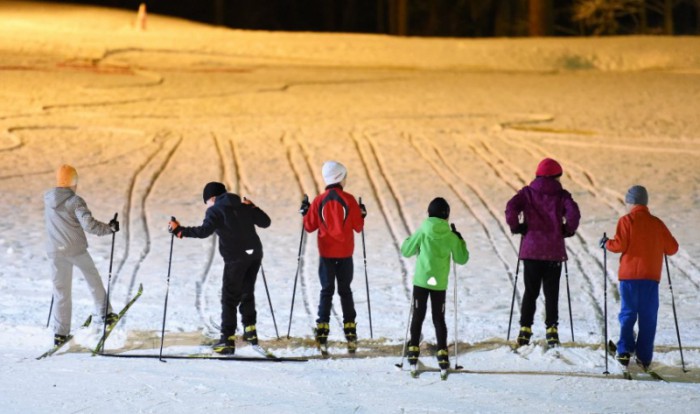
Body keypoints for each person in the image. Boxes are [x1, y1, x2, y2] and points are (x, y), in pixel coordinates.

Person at [168, 182, 271, 355]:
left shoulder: (215, 210)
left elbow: (203, 231)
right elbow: (265, 222)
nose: (206, 206)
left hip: (236, 257)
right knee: (247, 291)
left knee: (229, 297)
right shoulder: (242, 205)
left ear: (212, 198)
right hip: (254, 254)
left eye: (206, 202)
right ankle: (250, 332)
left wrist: (180, 231)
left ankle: (227, 340)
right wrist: (253, 207)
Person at [600, 185, 678, 369]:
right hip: (651, 278)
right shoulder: (657, 223)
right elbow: (672, 248)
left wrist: (606, 243)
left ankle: (624, 351)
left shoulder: (627, 220)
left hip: (629, 278)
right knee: (648, 317)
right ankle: (644, 356)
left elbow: (619, 245)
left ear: (631, 202)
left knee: (628, 314)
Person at [505, 158, 580, 348]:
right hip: (553, 251)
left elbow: (511, 208)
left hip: (531, 250)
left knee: (531, 292)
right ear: (556, 176)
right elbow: (573, 214)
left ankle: (525, 329)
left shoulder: (528, 193)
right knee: (551, 292)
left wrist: (517, 227)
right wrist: (567, 230)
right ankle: (552, 330)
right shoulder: (562, 195)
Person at [44, 164, 119, 347]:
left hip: (54, 251)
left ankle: (60, 334)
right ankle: (106, 315)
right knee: (93, 279)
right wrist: (109, 228)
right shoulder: (75, 201)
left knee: (61, 292)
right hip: (75, 250)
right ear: (73, 181)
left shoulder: (48, 200)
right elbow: (89, 225)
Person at [300, 161, 365, 352]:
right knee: (345, 290)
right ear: (339, 177)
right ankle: (350, 329)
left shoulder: (319, 200)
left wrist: (305, 211)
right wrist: (362, 214)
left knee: (326, 290)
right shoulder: (349, 199)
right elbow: (358, 227)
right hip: (345, 254)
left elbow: (309, 227)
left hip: (326, 254)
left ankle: (322, 328)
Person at [401, 197, 469, 374]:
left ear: (429, 213)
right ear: (446, 216)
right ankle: (442, 353)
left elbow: (406, 251)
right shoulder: (450, 234)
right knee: (439, 318)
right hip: (439, 283)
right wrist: (460, 240)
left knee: (418, 314)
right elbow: (462, 259)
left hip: (422, 281)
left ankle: (414, 349)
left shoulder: (423, 230)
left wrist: (409, 240)